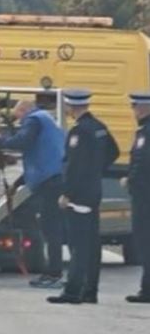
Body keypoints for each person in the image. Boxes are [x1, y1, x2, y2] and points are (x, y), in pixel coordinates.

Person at [48, 89, 119, 304]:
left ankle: (72, 292)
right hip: (93, 192)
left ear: (71, 107)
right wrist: (97, 171)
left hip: (78, 196)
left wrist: (67, 193)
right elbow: (113, 152)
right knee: (91, 245)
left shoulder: (79, 132)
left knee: (78, 245)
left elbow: (75, 167)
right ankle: (90, 291)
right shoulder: (99, 127)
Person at [0, 98, 66, 287]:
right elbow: (38, 156)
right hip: (54, 178)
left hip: (51, 181)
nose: (19, 123)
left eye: (18, 118)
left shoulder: (34, 120)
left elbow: (22, 142)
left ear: (24, 110)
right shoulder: (45, 120)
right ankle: (52, 272)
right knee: (50, 228)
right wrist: (17, 184)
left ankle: (54, 274)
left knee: (50, 229)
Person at [123, 92, 150, 303]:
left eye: (136, 107)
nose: (134, 111)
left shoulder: (146, 133)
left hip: (144, 196)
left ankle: (147, 290)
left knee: (145, 242)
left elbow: (142, 163)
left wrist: (129, 180)